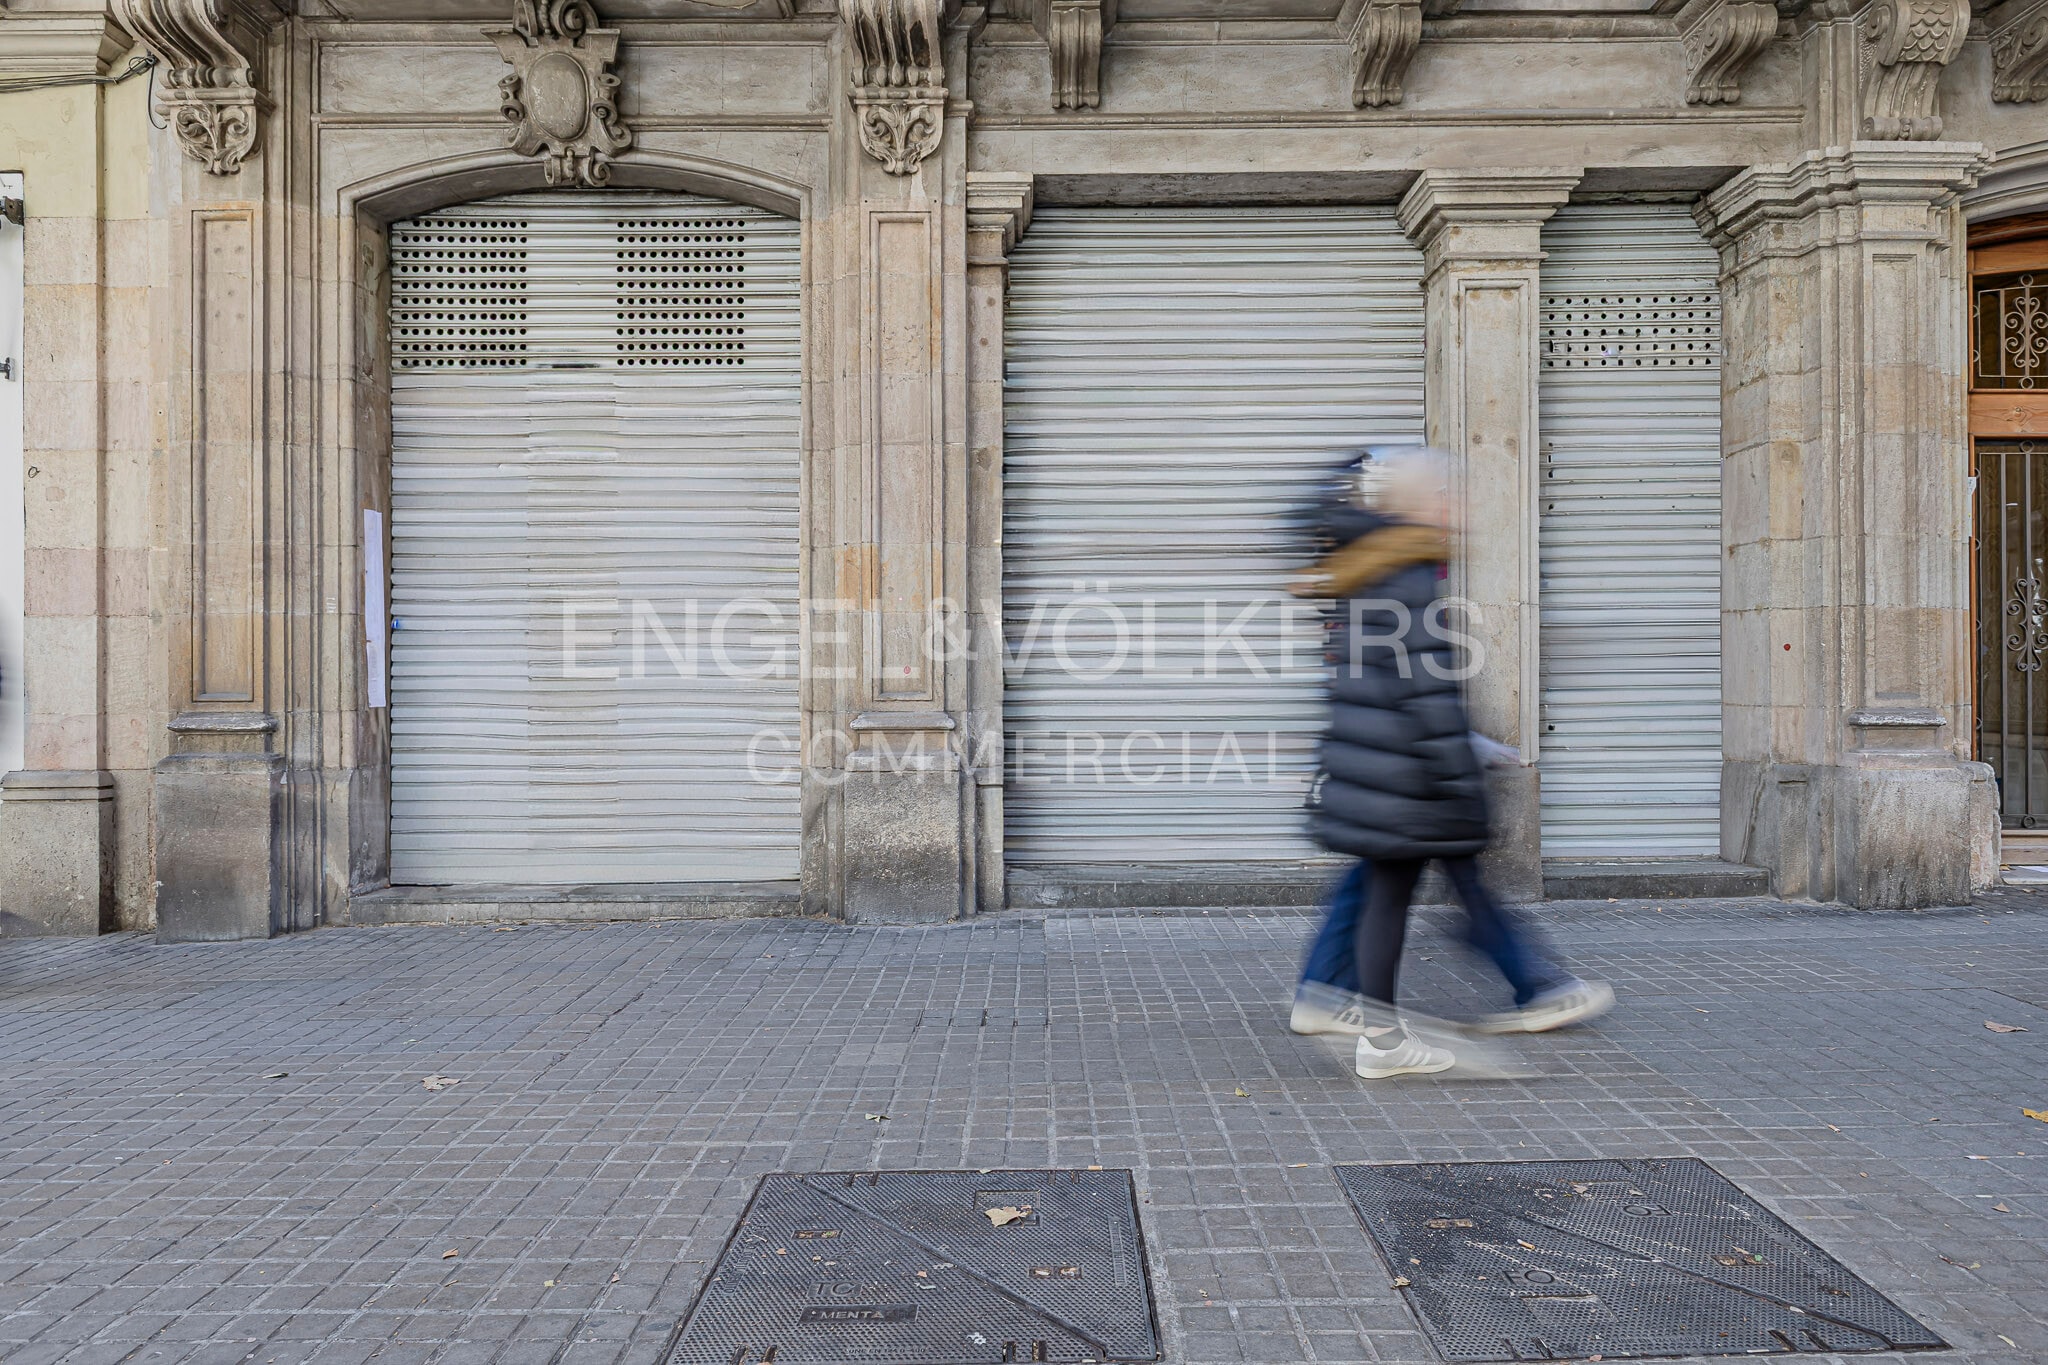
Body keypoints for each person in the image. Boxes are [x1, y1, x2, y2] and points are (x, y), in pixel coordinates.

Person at [1290, 447, 1611, 1078]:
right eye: (1447, 495)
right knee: (1395, 891)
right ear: (1421, 505)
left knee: (1387, 892)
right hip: (1408, 775)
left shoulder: (1366, 571)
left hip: (1383, 770)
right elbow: (1425, 693)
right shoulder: (1405, 577)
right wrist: (1460, 777)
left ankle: (1362, 1020)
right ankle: (1383, 1033)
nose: (1457, 506)